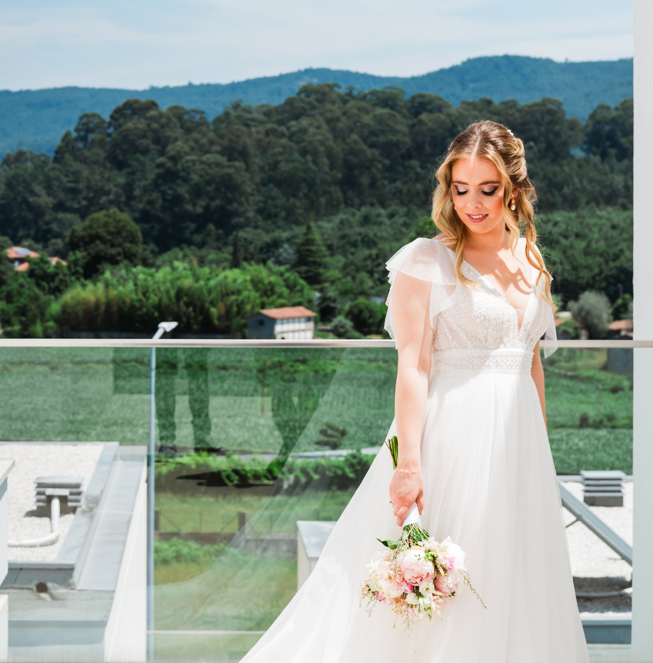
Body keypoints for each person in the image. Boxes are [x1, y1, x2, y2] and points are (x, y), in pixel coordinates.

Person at [241, 122, 589, 662]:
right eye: (460, 188)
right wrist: (409, 464)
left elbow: (531, 364)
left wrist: (540, 454)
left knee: (512, 582)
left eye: (487, 189)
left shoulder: (533, 263)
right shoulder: (427, 261)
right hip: (450, 442)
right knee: (445, 593)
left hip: (518, 451)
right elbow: (413, 364)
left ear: (514, 189)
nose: (472, 203)